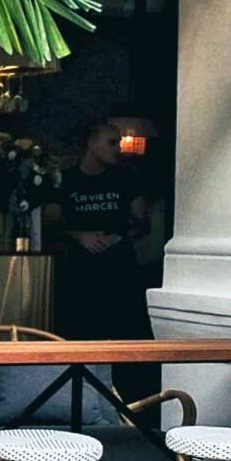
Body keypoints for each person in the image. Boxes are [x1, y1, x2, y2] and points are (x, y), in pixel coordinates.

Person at [53, 122, 157, 408]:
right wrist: (79, 236)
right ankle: (81, 404)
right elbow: (51, 224)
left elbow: (142, 223)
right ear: (92, 143)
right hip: (79, 273)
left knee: (124, 336)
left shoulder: (125, 177)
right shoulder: (67, 180)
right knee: (81, 337)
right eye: (111, 142)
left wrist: (117, 237)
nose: (118, 149)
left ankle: (128, 405)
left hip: (119, 271)